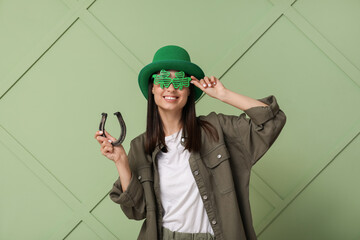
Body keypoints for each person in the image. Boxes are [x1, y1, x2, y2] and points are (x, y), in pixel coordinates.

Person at [94, 45, 286, 240]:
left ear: (189, 90)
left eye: (180, 81)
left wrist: (223, 94)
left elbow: (271, 121)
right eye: (163, 80)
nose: (171, 87)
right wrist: (120, 161)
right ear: (153, 88)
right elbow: (136, 211)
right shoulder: (140, 146)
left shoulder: (216, 129)